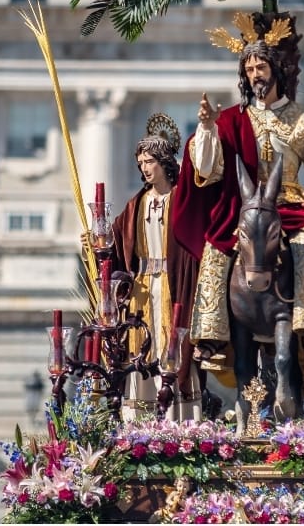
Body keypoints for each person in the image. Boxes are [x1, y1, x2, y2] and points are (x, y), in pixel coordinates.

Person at [171, 11, 304, 370]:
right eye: (249, 69)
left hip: (289, 204)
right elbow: (207, 168)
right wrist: (207, 129)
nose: (255, 75)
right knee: (215, 250)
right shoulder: (232, 119)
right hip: (244, 208)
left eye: (261, 67)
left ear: (276, 70)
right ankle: (212, 336)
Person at [102, 114, 203, 420]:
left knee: (174, 348)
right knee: (141, 349)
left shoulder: (181, 200)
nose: (145, 168)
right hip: (143, 288)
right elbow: (115, 244)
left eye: (150, 161)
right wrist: (97, 242)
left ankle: (178, 418)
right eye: (141, 162)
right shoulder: (136, 204)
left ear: (164, 162)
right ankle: (141, 421)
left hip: (174, 285)